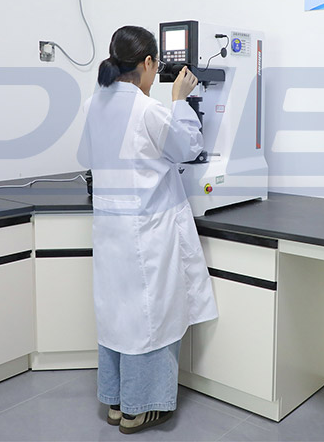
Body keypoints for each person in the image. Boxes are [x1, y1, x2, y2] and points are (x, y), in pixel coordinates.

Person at [79, 25, 218, 435]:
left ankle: (116, 402)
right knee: (150, 319)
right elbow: (188, 147)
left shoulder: (92, 104)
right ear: (146, 63)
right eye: (156, 66)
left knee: (118, 316)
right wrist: (179, 100)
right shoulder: (149, 109)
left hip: (111, 231)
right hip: (148, 231)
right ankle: (140, 408)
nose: (157, 73)